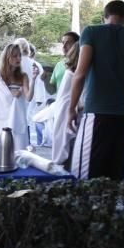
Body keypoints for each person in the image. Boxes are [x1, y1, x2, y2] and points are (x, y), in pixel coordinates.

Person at [68, 0, 124, 180]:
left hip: (96, 116)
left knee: (83, 175)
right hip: (123, 119)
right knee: (115, 176)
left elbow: (79, 74)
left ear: (104, 16)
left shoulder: (91, 32)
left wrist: (71, 109)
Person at [0, 43, 32, 152]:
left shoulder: (23, 76)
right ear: (7, 57)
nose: (18, 58)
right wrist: (14, 93)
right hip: (1, 119)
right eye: (14, 55)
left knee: (18, 154)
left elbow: (28, 98)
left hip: (18, 119)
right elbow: (2, 97)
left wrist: (35, 80)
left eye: (19, 55)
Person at [50, 39, 81, 168]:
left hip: (64, 112)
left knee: (66, 148)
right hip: (66, 114)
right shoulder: (74, 74)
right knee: (67, 150)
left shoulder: (71, 71)